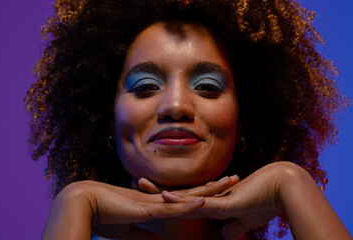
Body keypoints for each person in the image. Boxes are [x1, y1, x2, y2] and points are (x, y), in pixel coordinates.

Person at [24, 0, 352, 239]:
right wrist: (74, 202)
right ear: (108, 122)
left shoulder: (292, 186)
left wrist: (291, 182)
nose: (177, 105)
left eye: (207, 87)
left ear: (242, 125)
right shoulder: (73, 214)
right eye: (146, 86)